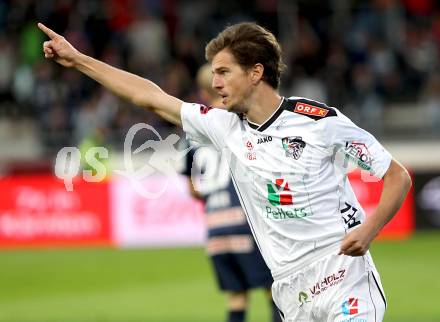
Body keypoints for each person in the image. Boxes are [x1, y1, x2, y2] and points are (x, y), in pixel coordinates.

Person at [39, 22, 412, 322]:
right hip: (288, 289)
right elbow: (150, 96)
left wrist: (369, 229)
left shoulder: (319, 122)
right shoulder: (224, 127)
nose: (214, 83)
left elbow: (397, 176)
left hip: (342, 275)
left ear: (255, 73)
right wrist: (79, 61)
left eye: (223, 72)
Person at [183, 64, 281, 322]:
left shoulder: (192, 133)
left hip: (216, 228)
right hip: (246, 223)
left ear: (202, 93)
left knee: (236, 297)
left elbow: (193, 190)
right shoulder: (237, 119)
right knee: (274, 290)